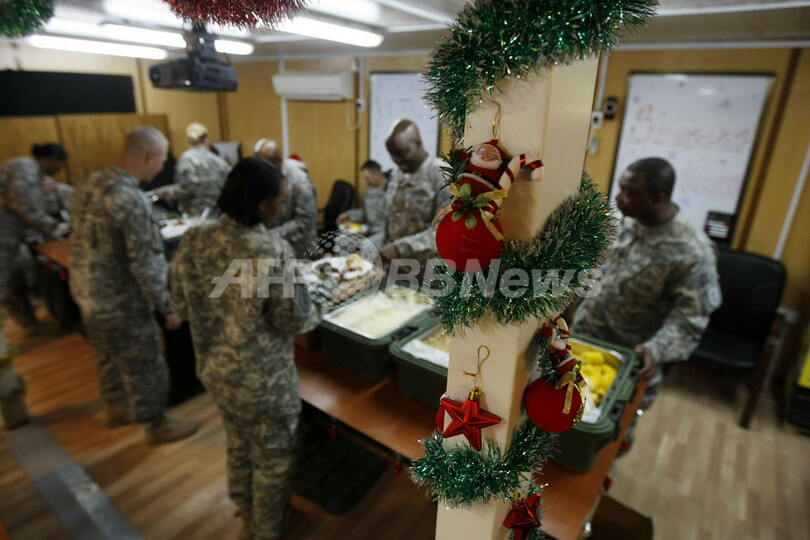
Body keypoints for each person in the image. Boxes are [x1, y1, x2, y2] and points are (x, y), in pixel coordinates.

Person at [168, 157, 318, 540]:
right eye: (279, 201)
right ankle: (268, 528)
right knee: (273, 458)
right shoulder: (270, 249)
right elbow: (295, 319)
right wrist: (322, 295)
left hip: (215, 372)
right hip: (264, 383)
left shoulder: (195, 239)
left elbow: (181, 305)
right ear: (262, 205)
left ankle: (245, 507)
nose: (282, 207)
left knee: (237, 439)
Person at [570, 157, 721, 449]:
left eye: (629, 192)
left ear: (658, 198)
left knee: (604, 444)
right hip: (580, 345)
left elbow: (689, 319)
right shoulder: (618, 220)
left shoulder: (692, 252)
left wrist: (657, 349)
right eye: (620, 188)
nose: (618, 197)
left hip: (626, 366)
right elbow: (588, 268)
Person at [69, 126, 199, 445]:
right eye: (163, 159)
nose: (162, 166)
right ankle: (156, 424)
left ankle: (116, 408)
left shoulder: (88, 183)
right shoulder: (130, 199)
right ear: (149, 156)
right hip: (120, 300)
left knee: (106, 355)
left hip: (86, 291)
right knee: (145, 362)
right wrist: (167, 307)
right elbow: (146, 261)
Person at [0, 143, 70, 328]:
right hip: (3, 236)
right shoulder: (26, 169)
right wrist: (55, 227)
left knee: (14, 280)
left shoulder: (25, 168)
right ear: (52, 160)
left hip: (9, 236)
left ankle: (26, 322)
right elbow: (27, 209)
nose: (59, 170)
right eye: (60, 165)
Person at [380, 120, 450, 265]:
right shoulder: (396, 175)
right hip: (395, 269)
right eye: (393, 155)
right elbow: (389, 224)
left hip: (428, 272)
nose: (397, 161)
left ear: (418, 143)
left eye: (402, 153)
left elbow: (446, 233)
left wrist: (400, 248)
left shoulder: (441, 174)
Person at [254, 139, 317, 258]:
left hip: (300, 251)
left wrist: (269, 235)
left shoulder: (300, 181)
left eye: (265, 162)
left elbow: (306, 222)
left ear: (278, 161)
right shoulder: (264, 174)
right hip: (274, 248)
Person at [156, 122, 231, 215]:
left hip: (196, 214)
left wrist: (165, 192)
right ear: (206, 140)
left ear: (188, 140)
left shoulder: (187, 159)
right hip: (218, 212)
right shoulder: (218, 160)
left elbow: (186, 189)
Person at [336, 159, 390, 248]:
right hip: (369, 230)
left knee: (367, 247)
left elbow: (392, 221)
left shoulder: (390, 190)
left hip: (383, 234)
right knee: (342, 239)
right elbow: (365, 212)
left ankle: (363, 262)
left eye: (367, 178)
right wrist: (348, 215)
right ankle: (346, 262)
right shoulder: (370, 189)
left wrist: (368, 231)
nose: (366, 182)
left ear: (377, 173)